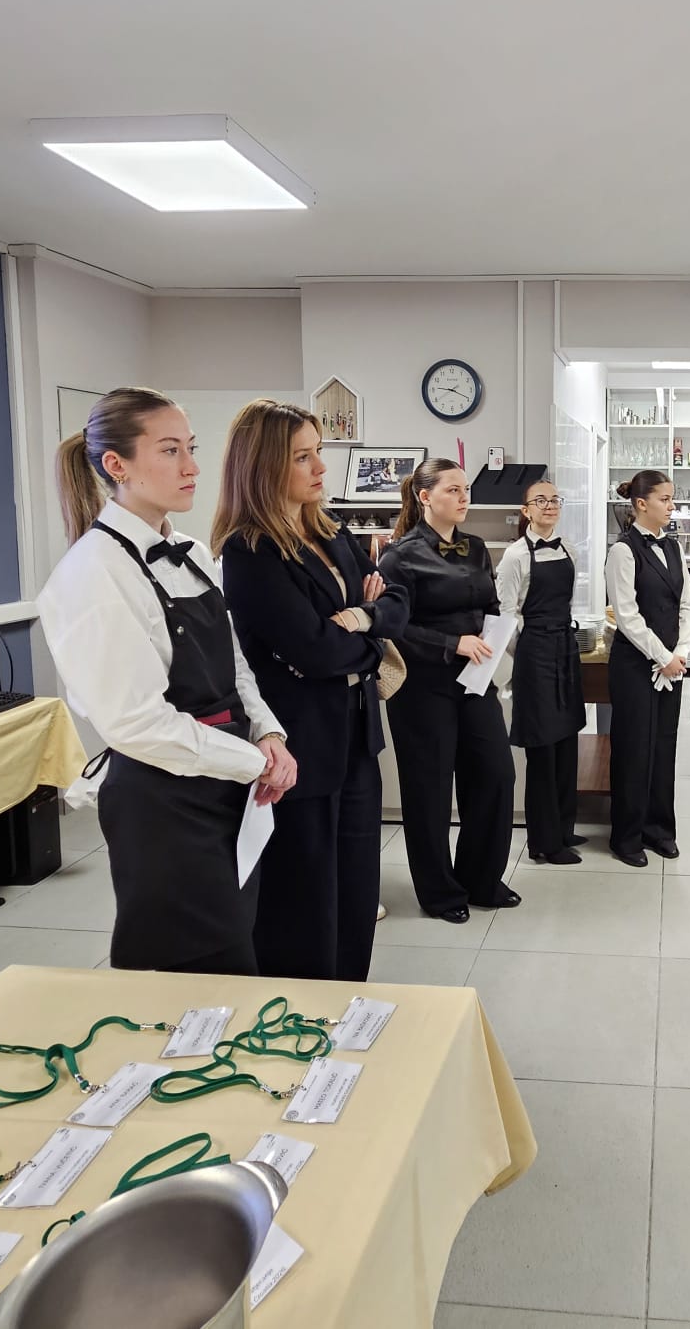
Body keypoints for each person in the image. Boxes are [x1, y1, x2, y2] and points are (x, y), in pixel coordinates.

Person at [37, 387, 298, 975]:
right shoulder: (91, 575)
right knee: (199, 970)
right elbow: (137, 725)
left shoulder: (191, 552)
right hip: (165, 803)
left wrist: (268, 733)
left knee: (239, 950)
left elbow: (234, 664)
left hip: (229, 786)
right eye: (170, 450)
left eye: (191, 448)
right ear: (117, 465)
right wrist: (252, 762)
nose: (192, 467)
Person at [216, 400, 407, 981]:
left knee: (357, 891)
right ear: (264, 466)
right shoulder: (251, 550)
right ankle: (305, 1014)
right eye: (303, 457)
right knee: (306, 900)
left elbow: (397, 601)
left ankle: (347, 1005)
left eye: (318, 452)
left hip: (356, 735)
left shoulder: (332, 532)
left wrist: (363, 619)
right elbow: (314, 651)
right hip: (300, 744)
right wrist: (370, 642)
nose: (321, 467)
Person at [378, 459, 520, 922]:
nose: (464, 498)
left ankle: (481, 878)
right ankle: (439, 893)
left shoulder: (475, 547)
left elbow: (491, 604)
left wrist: (496, 634)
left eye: (466, 490)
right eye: (453, 490)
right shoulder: (399, 556)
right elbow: (392, 627)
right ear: (425, 497)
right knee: (430, 790)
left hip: (474, 681)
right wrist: (451, 643)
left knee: (496, 775)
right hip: (422, 687)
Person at [496, 478, 590, 865]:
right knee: (542, 748)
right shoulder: (514, 556)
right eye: (540, 500)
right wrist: (529, 651)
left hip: (565, 647)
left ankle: (564, 828)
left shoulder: (569, 549)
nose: (550, 505)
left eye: (554, 499)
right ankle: (544, 842)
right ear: (526, 511)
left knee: (566, 740)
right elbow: (506, 616)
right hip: (534, 653)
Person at [606, 470, 690, 865]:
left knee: (663, 746)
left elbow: (688, 605)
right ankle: (626, 837)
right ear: (641, 504)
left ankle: (659, 830)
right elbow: (627, 616)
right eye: (665, 499)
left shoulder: (673, 548)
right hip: (634, 665)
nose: (672, 505)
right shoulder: (622, 551)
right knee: (633, 749)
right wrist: (664, 657)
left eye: (672, 498)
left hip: (671, 665)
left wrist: (681, 653)